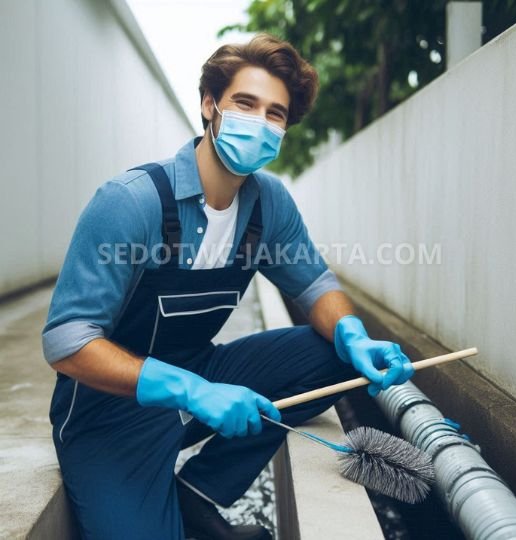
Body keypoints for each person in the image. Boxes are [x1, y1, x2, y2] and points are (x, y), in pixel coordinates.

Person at [42, 34, 415, 540]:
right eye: (245, 103)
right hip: (108, 414)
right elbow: (67, 342)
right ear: (209, 105)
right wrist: (191, 391)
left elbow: (315, 285)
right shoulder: (131, 203)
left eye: (275, 113)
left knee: (331, 354)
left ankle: (197, 492)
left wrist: (353, 333)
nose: (259, 122)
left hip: (202, 374)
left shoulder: (268, 205)